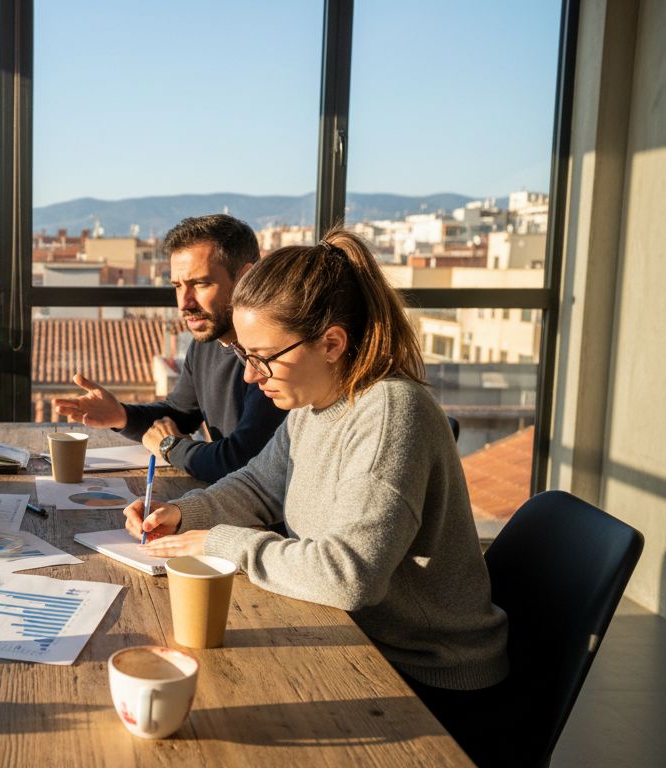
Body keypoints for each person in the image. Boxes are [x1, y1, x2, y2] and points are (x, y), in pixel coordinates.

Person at [124, 228, 512, 766]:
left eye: (264, 357)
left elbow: (348, 575)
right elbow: (258, 485)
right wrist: (184, 513)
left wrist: (219, 541)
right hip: (363, 641)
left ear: (331, 343)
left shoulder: (390, 414)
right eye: (245, 355)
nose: (252, 376)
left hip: (429, 682)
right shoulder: (313, 403)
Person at [51, 214, 285, 482]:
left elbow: (238, 461)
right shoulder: (207, 344)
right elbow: (179, 415)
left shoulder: (272, 358)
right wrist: (122, 415)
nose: (184, 302)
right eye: (177, 286)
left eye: (200, 283)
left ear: (246, 278)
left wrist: (169, 447)